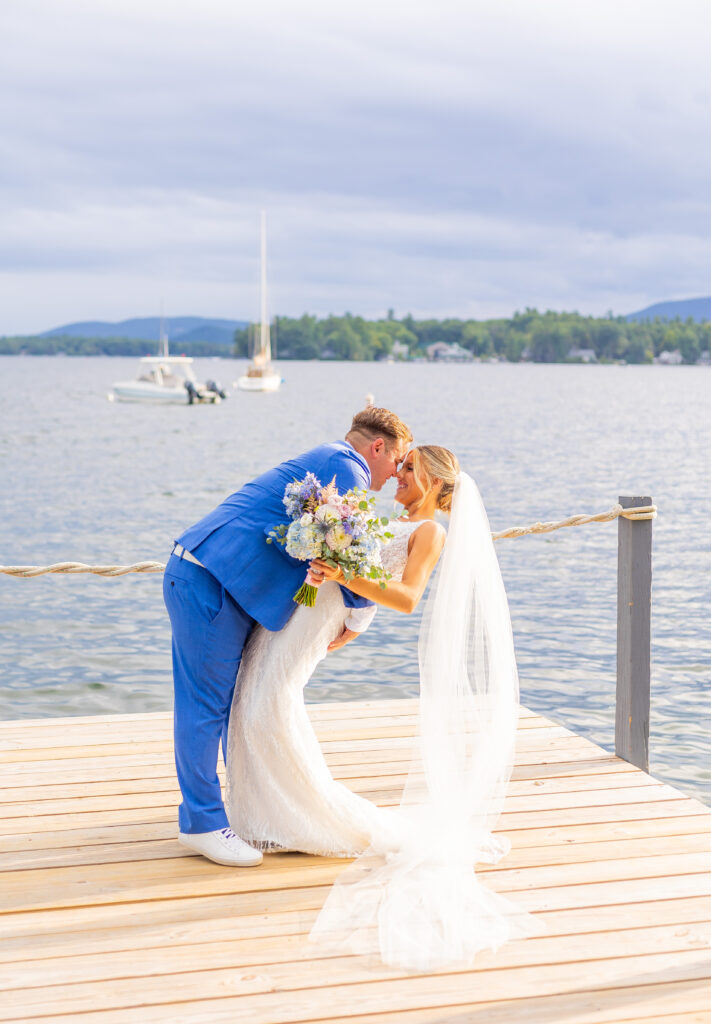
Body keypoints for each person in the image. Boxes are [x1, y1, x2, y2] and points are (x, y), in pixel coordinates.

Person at [226, 444, 543, 970]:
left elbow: (404, 597)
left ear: (436, 482)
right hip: (303, 614)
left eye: (409, 468)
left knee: (269, 706)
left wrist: (341, 581)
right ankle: (265, 813)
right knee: (251, 703)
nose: (397, 473)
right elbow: (350, 587)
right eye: (400, 464)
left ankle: (311, 816)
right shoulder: (379, 520)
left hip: (316, 625)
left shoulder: (430, 533)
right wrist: (319, 578)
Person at [163, 407, 413, 867]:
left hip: (224, 583)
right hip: (209, 579)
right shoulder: (346, 465)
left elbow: (333, 544)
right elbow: (355, 551)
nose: (395, 472)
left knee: (229, 705)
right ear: (378, 447)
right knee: (205, 707)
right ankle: (201, 823)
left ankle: (233, 813)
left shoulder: (330, 459)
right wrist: (357, 619)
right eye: (397, 460)